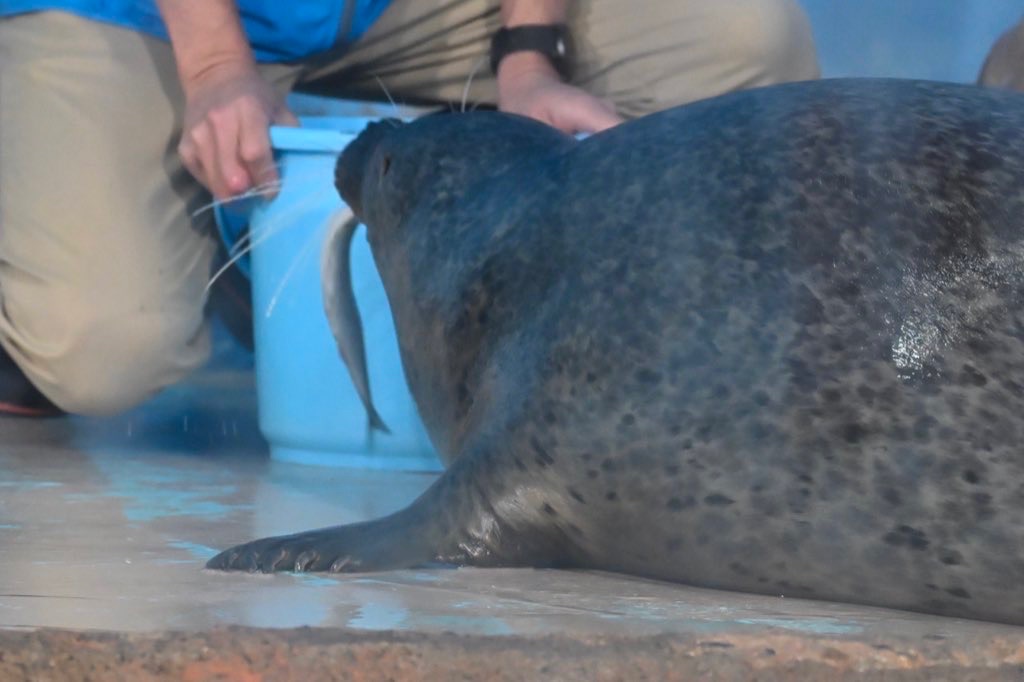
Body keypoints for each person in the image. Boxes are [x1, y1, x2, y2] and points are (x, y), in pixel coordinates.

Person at [0, 0, 820, 418]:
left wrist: (528, 59)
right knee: (106, 350)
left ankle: (615, 355)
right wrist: (215, 62)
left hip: (389, 10)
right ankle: (194, 237)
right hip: (136, 12)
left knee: (742, 39)